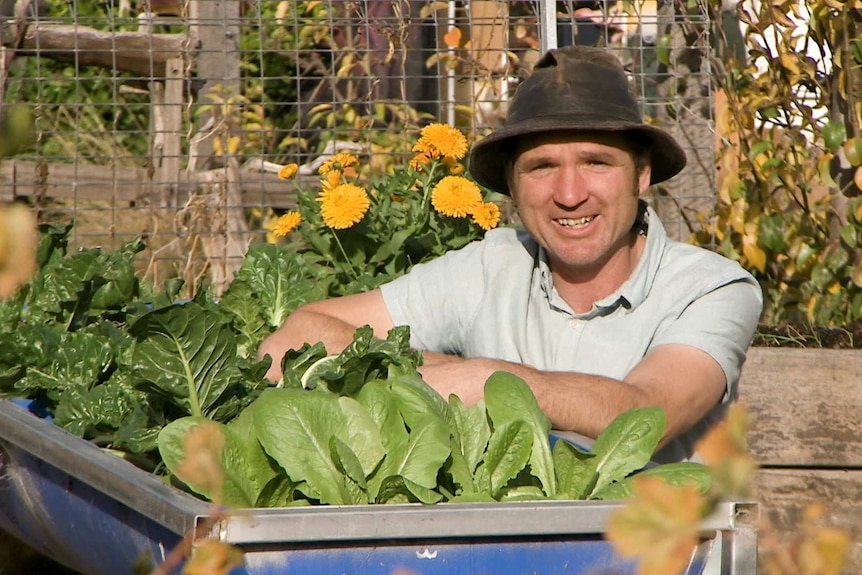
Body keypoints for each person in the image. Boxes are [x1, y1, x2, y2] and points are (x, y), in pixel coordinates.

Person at [258, 45, 763, 463]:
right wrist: (430, 363)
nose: (569, 193)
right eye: (542, 167)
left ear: (643, 174)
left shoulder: (711, 289)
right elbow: (299, 335)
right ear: (513, 189)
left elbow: (645, 420)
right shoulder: (491, 266)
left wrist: (485, 377)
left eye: (595, 162)